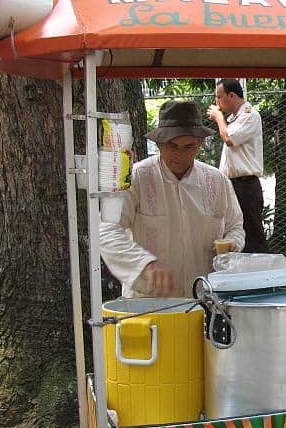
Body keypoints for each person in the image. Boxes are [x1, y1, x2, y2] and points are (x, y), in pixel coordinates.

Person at [100, 100, 245, 298]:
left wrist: (232, 243)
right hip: (148, 302)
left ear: (200, 143)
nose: (180, 154)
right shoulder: (136, 177)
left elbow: (235, 226)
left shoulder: (217, 181)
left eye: (188, 146)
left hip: (202, 298)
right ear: (159, 143)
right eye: (172, 146)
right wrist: (144, 264)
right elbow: (107, 230)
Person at [207, 79, 269, 253]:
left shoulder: (250, 115)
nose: (217, 103)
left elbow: (229, 139)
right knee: (234, 231)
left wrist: (219, 118)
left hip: (246, 184)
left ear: (232, 95)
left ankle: (265, 274)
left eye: (219, 97)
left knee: (252, 234)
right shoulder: (234, 119)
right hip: (232, 184)